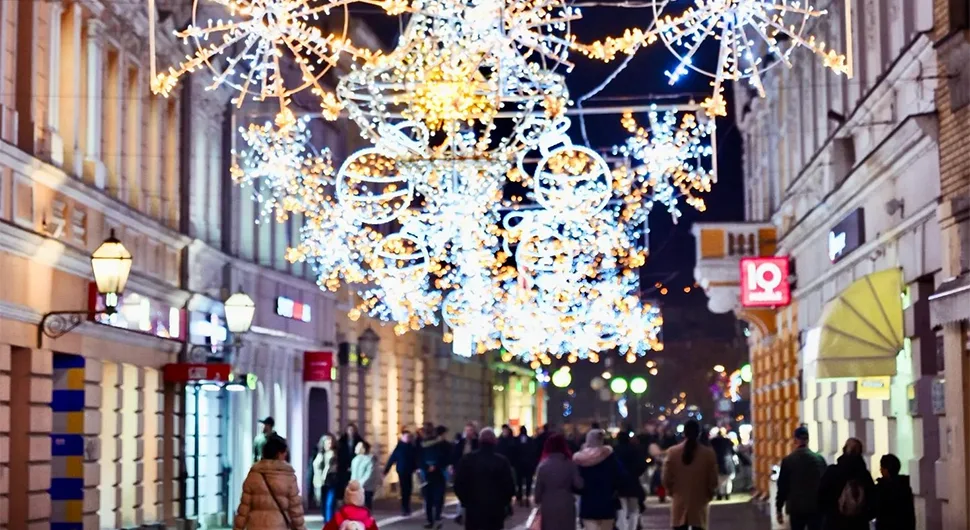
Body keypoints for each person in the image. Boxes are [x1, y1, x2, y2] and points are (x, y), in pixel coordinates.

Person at [233, 434, 307, 530]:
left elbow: (244, 508)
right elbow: (295, 510)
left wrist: (238, 527)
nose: (285, 455)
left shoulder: (254, 474)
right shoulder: (288, 477)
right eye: (284, 452)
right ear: (279, 453)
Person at [453, 428, 517, 530]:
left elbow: (458, 484)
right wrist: (505, 503)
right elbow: (509, 486)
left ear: (479, 441)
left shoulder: (467, 459)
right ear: (495, 442)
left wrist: (465, 502)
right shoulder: (502, 461)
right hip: (495, 509)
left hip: (473, 509)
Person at [661, 420, 719, 530]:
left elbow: (666, 477)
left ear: (684, 433)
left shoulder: (672, 452)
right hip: (700, 503)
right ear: (699, 433)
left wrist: (671, 491)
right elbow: (713, 479)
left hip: (679, 502)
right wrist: (710, 492)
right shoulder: (708, 454)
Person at [775, 426, 827, 530]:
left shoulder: (788, 461)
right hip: (816, 506)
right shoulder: (819, 460)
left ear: (795, 440)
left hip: (796, 508)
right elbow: (827, 484)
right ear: (807, 439)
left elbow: (782, 487)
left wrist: (779, 508)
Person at [818, 438, 875, 530]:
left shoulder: (833, 472)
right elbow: (873, 499)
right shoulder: (864, 475)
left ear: (844, 450)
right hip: (859, 524)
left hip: (835, 522)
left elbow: (821, 496)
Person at [574, 429, 624, 530]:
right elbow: (621, 475)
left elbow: (575, 481)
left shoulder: (580, 459)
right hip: (607, 501)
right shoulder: (609, 456)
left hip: (588, 502)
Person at [534, 433, 583, 530]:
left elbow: (538, 489)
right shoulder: (570, 464)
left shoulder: (542, 465)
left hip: (548, 504)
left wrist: (538, 499)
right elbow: (579, 484)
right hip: (567, 503)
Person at [614, 430, 647, 530]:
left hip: (619, 484)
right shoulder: (635, 450)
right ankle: (632, 527)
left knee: (621, 509)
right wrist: (636, 474)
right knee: (634, 510)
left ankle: (622, 527)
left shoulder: (614, 451)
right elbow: (642, 465)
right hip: (633, 483)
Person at [873, 454, 915, 530]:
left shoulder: (881, 488)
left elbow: (876, 509)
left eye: (881, 467)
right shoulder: (905, 485)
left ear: (886, 470)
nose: (880, 470)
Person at [421, 425, 452, 529]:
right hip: (431, 474)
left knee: (437, 498)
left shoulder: (445, 445)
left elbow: (448, 458)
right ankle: (432, 519)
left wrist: (433, 466)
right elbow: (420, 456)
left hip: (436, 473)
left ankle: (436, 518)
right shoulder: (428, 444)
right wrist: (427, 467)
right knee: (431, 498)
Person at [385, 430, 419, 516]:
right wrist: (386, 470)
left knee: (409, 489)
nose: (408, 438)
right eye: (406, 437)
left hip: (409, 471)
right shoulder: (399, 447)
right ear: (402, 437)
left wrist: (417, 467)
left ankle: (407, 506)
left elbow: (416, 459)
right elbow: (392, 459)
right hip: (401, 470)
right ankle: (405, 507)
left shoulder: (412, 447)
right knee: (404, 489)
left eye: (409, 437)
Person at [453, 423, 480, 524]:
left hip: (474, 471)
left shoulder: (477, 443)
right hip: (462, 471)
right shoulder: (460, 442)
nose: (469, 432)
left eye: (471, 430)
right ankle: (459, 514)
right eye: (467, 430)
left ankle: (469, 514)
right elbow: (455, 455)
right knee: (462, 492)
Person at [312, 433, 340, 522]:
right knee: (323, 504)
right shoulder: (318, 454)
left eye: (331, 442)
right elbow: (314, 467)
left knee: (329, 504)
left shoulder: (334, 454)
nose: (329, 444)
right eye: (327, 442)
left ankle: (329, 524)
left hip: (331, 481)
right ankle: (326, 522)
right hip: (319, 482)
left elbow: (331, 468)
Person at [338, 424, 364, 498]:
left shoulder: (358, 440)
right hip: (344, 466)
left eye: (352, 430)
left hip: (356, 465)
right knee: (344, 483)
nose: (351, 432)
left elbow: (365, 447)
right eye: (349, 430)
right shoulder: (342, 440)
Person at [710, 430, 737, 500]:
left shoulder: (713, 442)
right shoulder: (728, 441)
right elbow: (733, 451)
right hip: (728, 462)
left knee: (719, 480)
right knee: (728, 480)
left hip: (717, 462)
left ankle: (720, 494)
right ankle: (727, 494)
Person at [351, 441, 378, 510]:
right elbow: (353, 474)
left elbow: (369, 474)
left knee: (366, 507)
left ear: (363, 449)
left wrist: (360, 484)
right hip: (356, 488)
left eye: (358, 446)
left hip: (366, 488)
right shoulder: (354, 459)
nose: (356, 448)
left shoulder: (369, 460)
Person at [515, 426, 537, 506]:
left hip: (519, 465)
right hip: (528, 464)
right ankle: (527, 496)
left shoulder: (516, 440)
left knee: (519, 482)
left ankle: (520, 497)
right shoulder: (531, 440)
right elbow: (534, 452)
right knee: (528, 482)